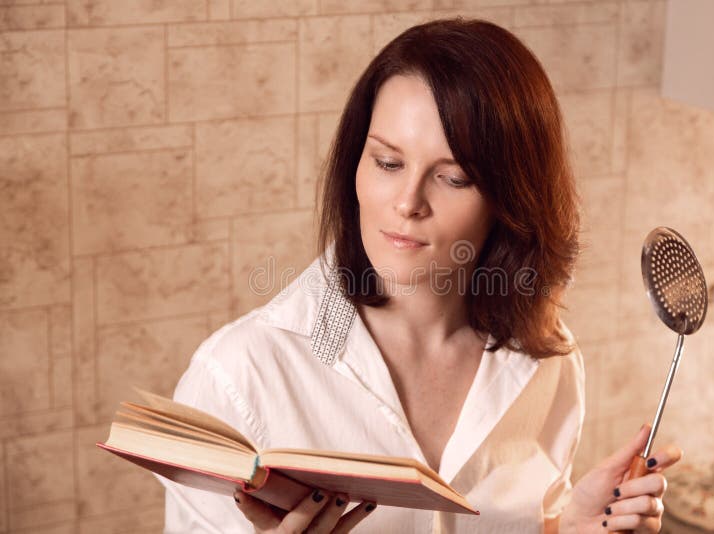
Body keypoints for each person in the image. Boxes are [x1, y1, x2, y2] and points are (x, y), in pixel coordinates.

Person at [157, 18, 682, 533]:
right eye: (387, 163)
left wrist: (567, 529)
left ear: (512, 199)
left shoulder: (544, 361)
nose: (408, 203)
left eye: (453, 177)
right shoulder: (237, 379)